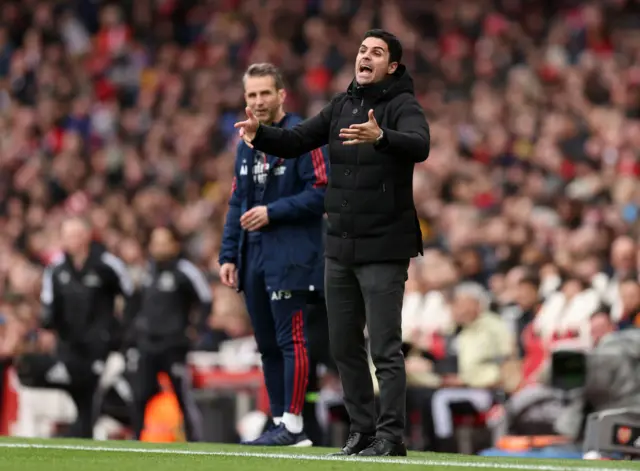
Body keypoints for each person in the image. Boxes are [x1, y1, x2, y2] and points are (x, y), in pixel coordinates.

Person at [234, 30, 430, 456]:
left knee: (385, 348)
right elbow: (298, 139)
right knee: (343, 346)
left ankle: (390, 436)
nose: (366, 56)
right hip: (340, 246)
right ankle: (361, 431)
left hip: (384, 246)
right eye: (362, 49)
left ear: (392, 66)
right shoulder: (342, 105)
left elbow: (420, 145)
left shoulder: (402, 105)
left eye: (376, 52)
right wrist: (260, 133)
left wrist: (381, 137)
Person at [220, 62, 329, 446]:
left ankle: (295, 424)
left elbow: (322, 191)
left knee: (291, 342)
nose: (259, 101)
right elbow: (237, 202)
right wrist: (228, 254)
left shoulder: (303, 136)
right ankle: (281, 423)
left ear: (282, 95)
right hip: (254, 259)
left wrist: (273, 212)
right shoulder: (246, 143)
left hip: (293, 256)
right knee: (267, 346)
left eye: (266, 93)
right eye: (251, 94)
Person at [15, 216, 133, 438]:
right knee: (77, 396)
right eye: (68, 235)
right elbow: (49, 307)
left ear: (87, 235)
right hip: (69, 346)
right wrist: (48, 329)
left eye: (77, 234)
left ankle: (108, 427)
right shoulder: (56, 270)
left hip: (100, 347)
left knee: (93, 396)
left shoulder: (107, 264)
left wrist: (119, 333)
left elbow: (130, 296)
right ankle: (77, 436)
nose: (72, 240)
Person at [129, 225, 209, 442]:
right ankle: (136, 441)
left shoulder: (185, 270)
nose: (159, 247)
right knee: (139, 395)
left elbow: (205, 300)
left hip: (174, 345)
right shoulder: (146, 271)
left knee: (182, 396)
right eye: (156, 242)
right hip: (148, 343)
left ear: (175, 245)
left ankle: (195, 441)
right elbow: (135, 304)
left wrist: (195, 329)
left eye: (164, 242)